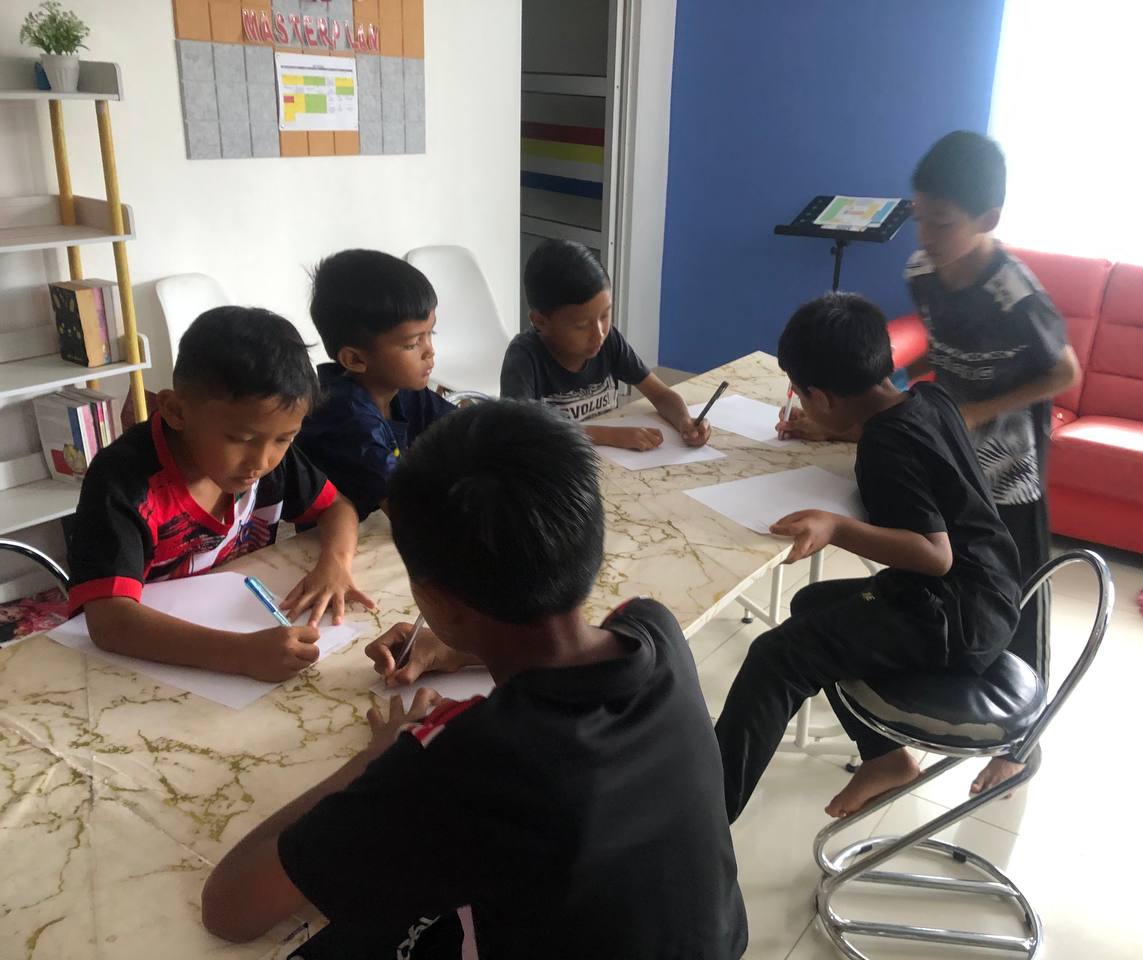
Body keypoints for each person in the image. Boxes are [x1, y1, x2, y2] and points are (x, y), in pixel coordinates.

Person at [201, 400, 748, 959]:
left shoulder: (463, 761)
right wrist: (459, 650)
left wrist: (380, 757)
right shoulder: (655, 630)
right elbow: (566, 649)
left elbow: (230, 907)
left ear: (436, 599)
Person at [780, 131, 1079, 798]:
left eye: (942, 223)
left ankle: (1020, 745)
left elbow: (1064, 371)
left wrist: (977, 412)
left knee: (1019, 599)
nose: (926, 235)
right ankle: (920, 700)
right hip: (948, 453)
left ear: (987, 218)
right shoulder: (922, 272)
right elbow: (917, 362)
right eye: (920, 217)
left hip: (1010, 472)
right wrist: (843, 416)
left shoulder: (1013, 291)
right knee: (938, 580)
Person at [718, 293, 1022, 821]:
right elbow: (904, 437)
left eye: (801, 394)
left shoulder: (886, 446)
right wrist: (833, 428)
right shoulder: (929, 399)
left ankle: (703, 820)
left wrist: (837, 527)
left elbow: (934, 555)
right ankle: (885, 758)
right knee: (814, 604)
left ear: (821, 396)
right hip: (991, 593)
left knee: (777, 657)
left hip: (953, 617)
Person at [66, 307, 371, 681]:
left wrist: (335, 564)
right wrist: (240, 654)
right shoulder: (124, 482)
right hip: (143, 665)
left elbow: (337, 507)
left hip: (234, 624)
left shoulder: (268, 454)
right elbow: (109, 621)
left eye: (284, 439)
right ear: (176, 411)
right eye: (240, 439)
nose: (261, 461)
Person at [501, 238, 711, 451]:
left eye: (604, 316)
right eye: (581, 326)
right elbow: (518, 430)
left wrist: (685, 421)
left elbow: (661, 395)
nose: (599, 334)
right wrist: (609, 435)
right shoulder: (524, 358)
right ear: (540, 322)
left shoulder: (608, 341)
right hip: (559, 464)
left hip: (613, 462)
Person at [296, 249, 455, 520]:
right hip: (334, 534)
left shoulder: (400, 389)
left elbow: (466, 429)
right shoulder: (346, 415)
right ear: (355, 359)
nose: (430, 351)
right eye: (412, 343)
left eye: (431, 333)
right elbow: (408, 510)